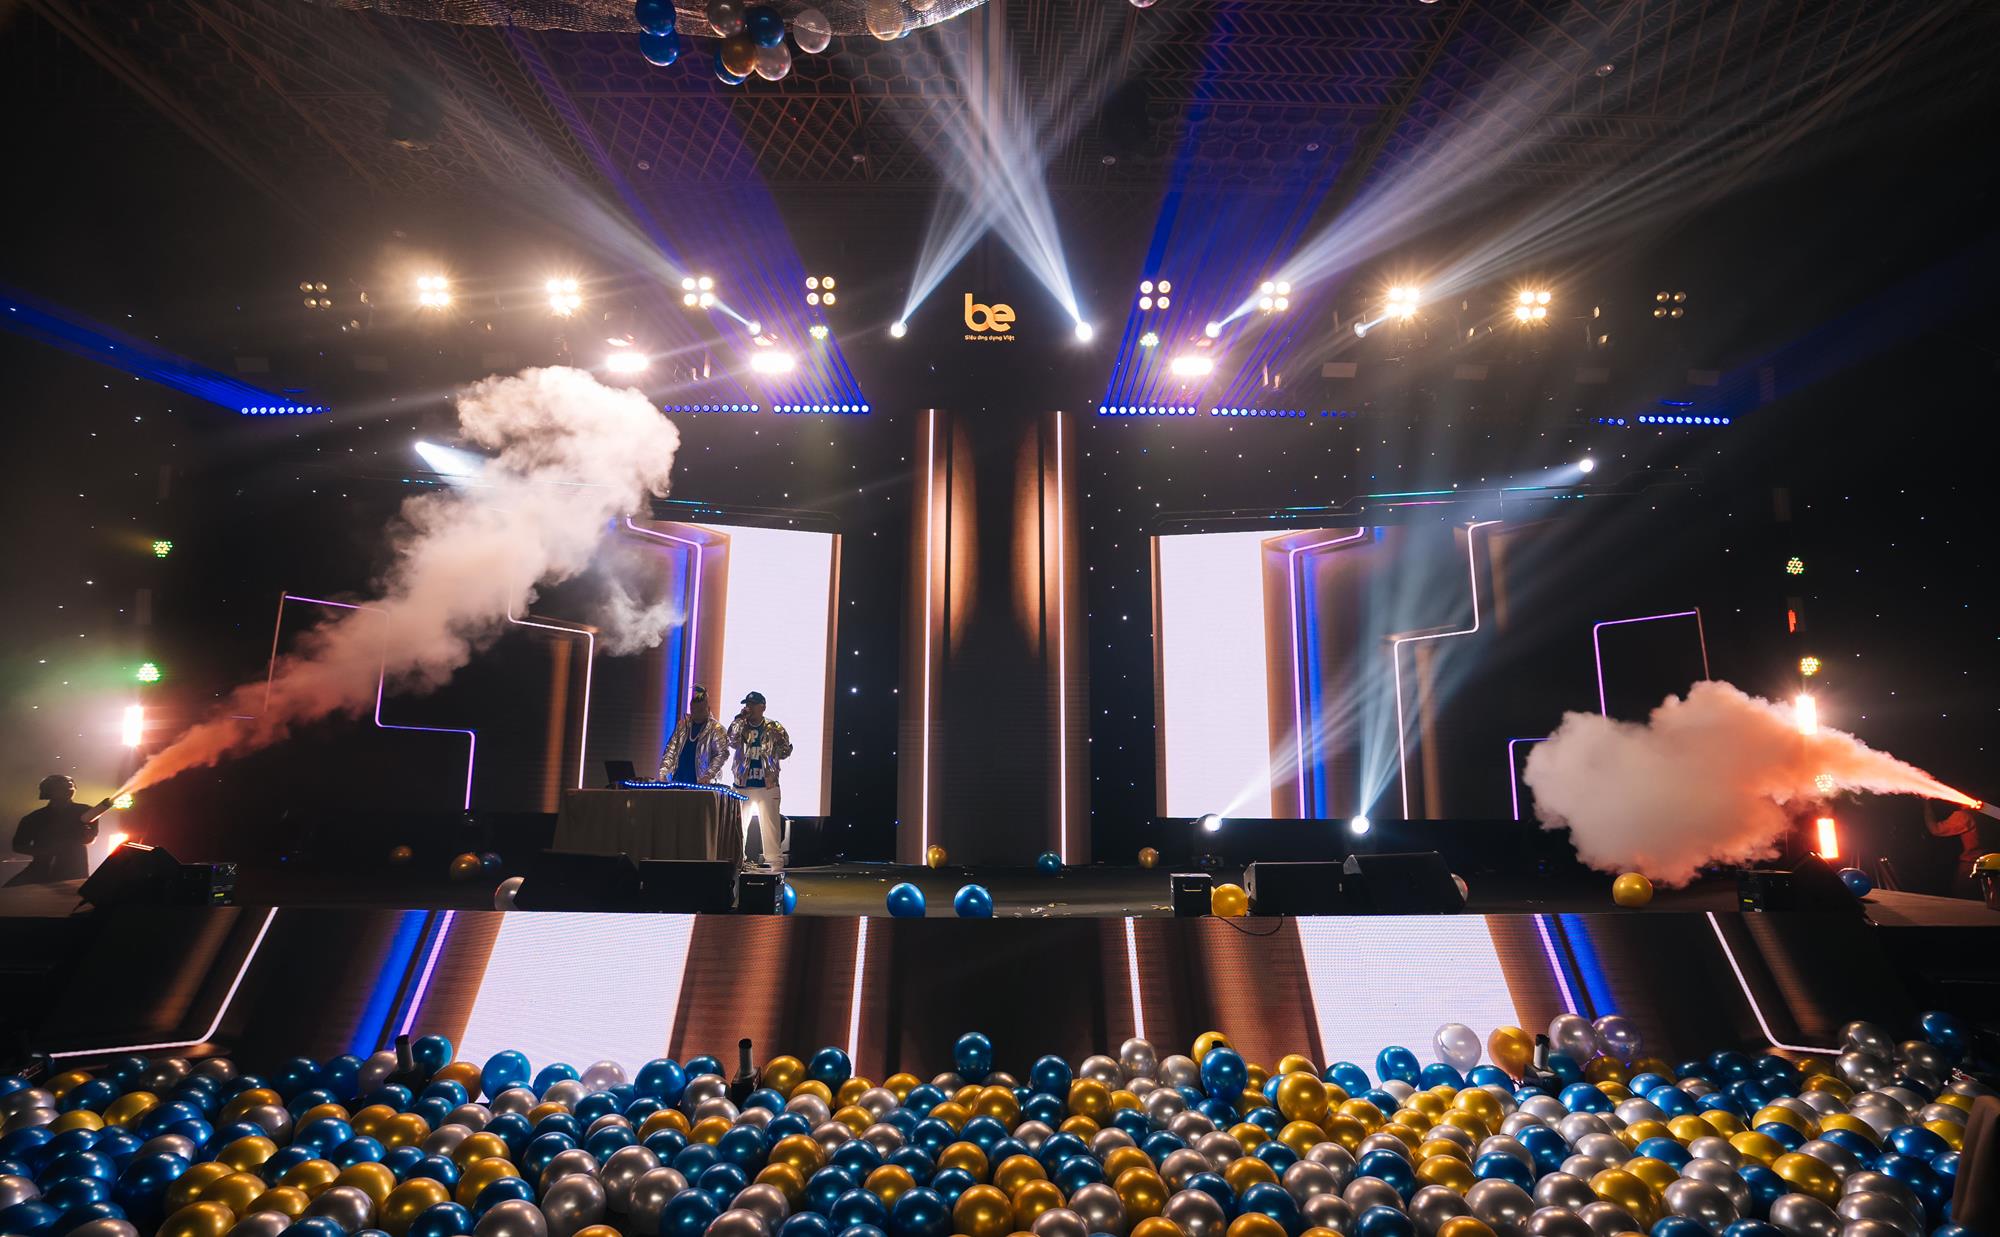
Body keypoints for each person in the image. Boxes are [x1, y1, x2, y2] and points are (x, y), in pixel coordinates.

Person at [8, 775, 113, 886]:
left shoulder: (87, 811)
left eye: (70, 786)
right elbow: (18, 846)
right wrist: (44, 852)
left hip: (73, 871)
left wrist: (87, 835)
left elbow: (89, 839)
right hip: (42, 870)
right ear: (49, 791)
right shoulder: (34, 818)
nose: (69, 790)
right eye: (62, 787)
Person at [727, 691, 792, 869]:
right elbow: (731, 741)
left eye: (753, 705)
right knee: (739, 828)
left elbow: (785, 751)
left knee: (771, 828)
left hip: (767, 785)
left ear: (762, 707)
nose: (749, 708)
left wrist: (778, 750)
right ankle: (737, 862)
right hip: (742, 785)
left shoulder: (774, 727)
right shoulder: (740, 725)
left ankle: (774, 864)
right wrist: (739, 719)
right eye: (747, 704)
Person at [657, 685, 727, 785]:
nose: (697, 713)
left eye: (700, 710)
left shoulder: (716, 729)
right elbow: (670, 750)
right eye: (694, 710)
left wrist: (708, 775)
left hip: (701, 784)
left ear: (708, 709)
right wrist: (663, 772)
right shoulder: (682, 726)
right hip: (679, 780)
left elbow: (722, 754)